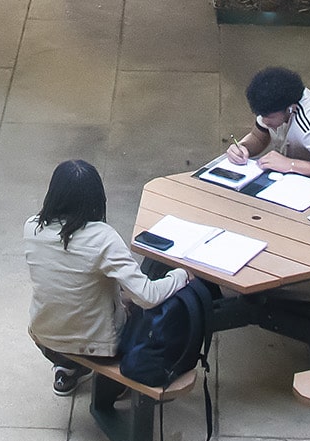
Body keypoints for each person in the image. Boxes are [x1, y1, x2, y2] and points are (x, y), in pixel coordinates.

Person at [24, 160, 193, 396]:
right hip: (100, 349)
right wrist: (182, 275)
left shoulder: (31, 228)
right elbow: (147, 296)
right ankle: (113, 385)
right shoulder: (102, 238)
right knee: (151, 300)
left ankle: (67, 367)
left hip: (45, 339)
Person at [224, 65, 310, 182]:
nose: (265, 122)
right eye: (261, 116)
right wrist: (242, 148)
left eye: (270, 117)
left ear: (291, 108)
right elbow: (258, 137)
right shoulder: (271, 106)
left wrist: (291, 165)